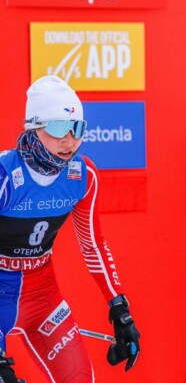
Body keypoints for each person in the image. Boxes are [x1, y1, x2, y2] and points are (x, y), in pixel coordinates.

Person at [0, 75, 140, 383]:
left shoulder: (82, 175)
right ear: (33, 127)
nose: (70, 140)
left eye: (77, 128)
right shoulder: (5, 175)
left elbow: (93, 246)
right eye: (58, 127)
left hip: (42, 297)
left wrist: (119, 307)